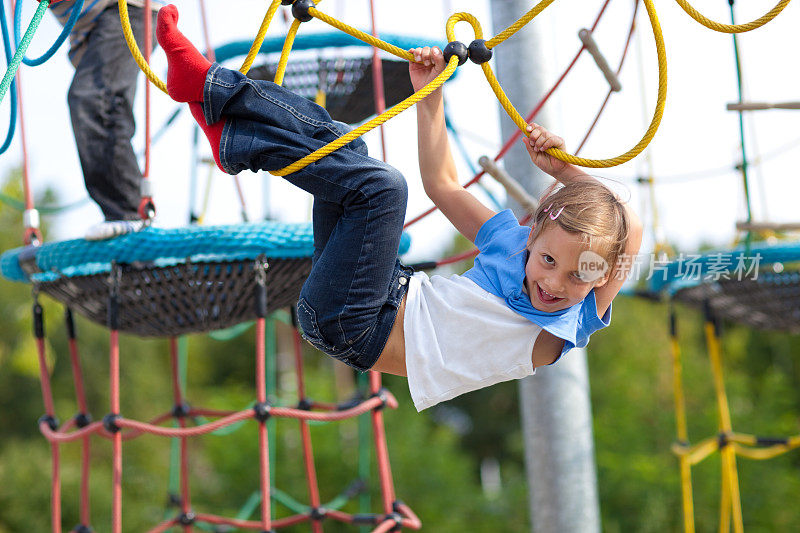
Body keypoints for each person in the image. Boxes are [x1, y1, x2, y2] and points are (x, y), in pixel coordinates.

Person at [156, 5, 643, 412]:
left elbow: (631, 226)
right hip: (380, 290)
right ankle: (221, 113)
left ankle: (221, 103)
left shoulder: (575, 320)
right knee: (346, 149)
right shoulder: (511, 245)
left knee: (383, 190)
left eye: (581, 275)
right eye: (549, 260)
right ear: (532, 236)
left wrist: (564, 174)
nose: (555, 283)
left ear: (602, 278)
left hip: (355, 324)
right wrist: (426, 97)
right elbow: (444, 185)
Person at [51, 0, 161, 240]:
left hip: (124, 9)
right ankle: (127, 216)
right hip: (87, 29)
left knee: (95, 100)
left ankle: (129, 215)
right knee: (104, 106)